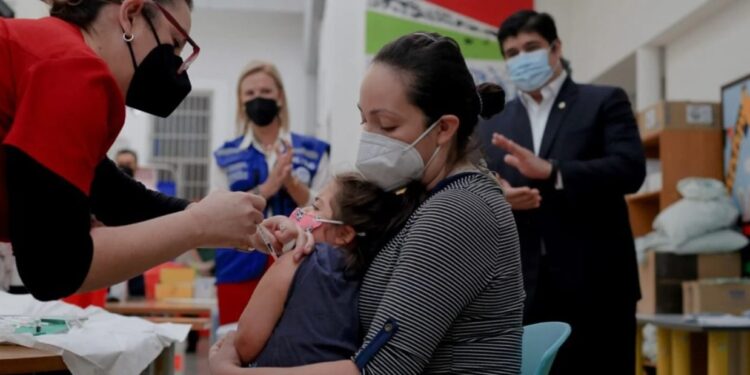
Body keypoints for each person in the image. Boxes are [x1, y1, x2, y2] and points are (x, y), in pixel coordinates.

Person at [210, 31, 524, 375]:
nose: (370, 139)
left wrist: (236, 373)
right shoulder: (423, 197)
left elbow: (382, 370)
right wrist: (308, 233)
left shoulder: (457, 211)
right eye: (365, 121)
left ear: (444, 128)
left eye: (386, 125)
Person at [0, 0, 267, 301]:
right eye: (175, 44)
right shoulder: (74, 69)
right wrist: (200, 225)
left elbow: (113, 196)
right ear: (130, 15)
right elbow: (53, 267)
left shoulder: (49, 51)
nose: (177, 67)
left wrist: (228, 222)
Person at [477, 10, 646, 374]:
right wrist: (499, 197)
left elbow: (631, 169)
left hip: (598, 284)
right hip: (522, 288)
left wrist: (554, 172)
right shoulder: (494, 123)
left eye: (531, 47)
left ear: (555, 49)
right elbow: (476, 185)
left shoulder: (602, 101)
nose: (521, 58)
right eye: (511, 53)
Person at [234, 173, 422, 367]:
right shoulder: (373, 275)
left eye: (316, 207)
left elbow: (245, 345)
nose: (303, 210)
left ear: (344, 233)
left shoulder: (295, 261)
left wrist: (223, 353)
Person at [213, 61, 331, 325]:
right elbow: (217, 211)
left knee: (295, 343)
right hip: (239, 262)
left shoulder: (313, 151)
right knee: (236, 342)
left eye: (265, 92)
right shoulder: (225, 155)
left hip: (302, 260)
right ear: (240, 101)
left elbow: (326, 209)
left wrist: (291, 182)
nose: (258, 99)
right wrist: (267, 188)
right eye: (250, 94)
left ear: (280, 96)